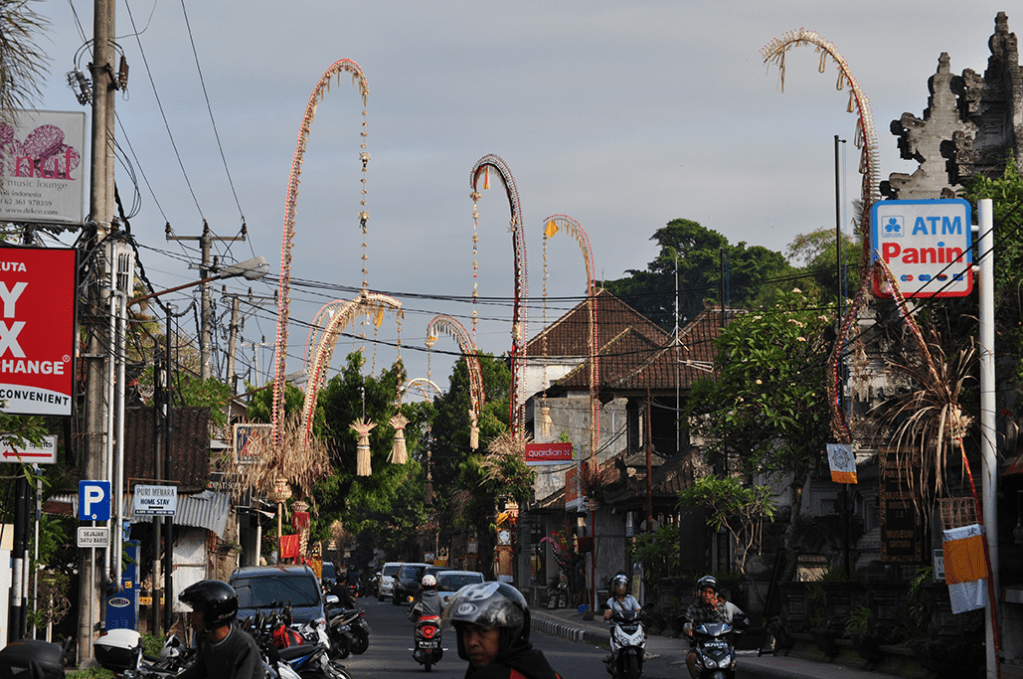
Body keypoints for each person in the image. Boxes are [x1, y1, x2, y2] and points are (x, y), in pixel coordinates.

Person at [443, 581, 561, 679]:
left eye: (482, 631)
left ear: (508, 634)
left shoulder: (489, 676)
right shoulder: (548, 672)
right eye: (466, 632)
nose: (472, 642)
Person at [177, 579, 265, 679]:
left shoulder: (243, 645)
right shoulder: (205, 640)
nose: (191, 616)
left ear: (213, 613)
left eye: (197, 611)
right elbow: (201, 670)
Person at [680, 575, 746, 679]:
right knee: (690, 659)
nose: (707, 595)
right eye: (705, 592)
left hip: (720, 644)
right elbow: (688, 621)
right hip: (701, 643)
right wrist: (688, 628)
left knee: (731, 659)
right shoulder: (693, 609)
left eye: (710, 592)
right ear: (699, 593)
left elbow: (726, 623)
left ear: (714, 594)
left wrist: (715, 610)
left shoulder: (720, 607)